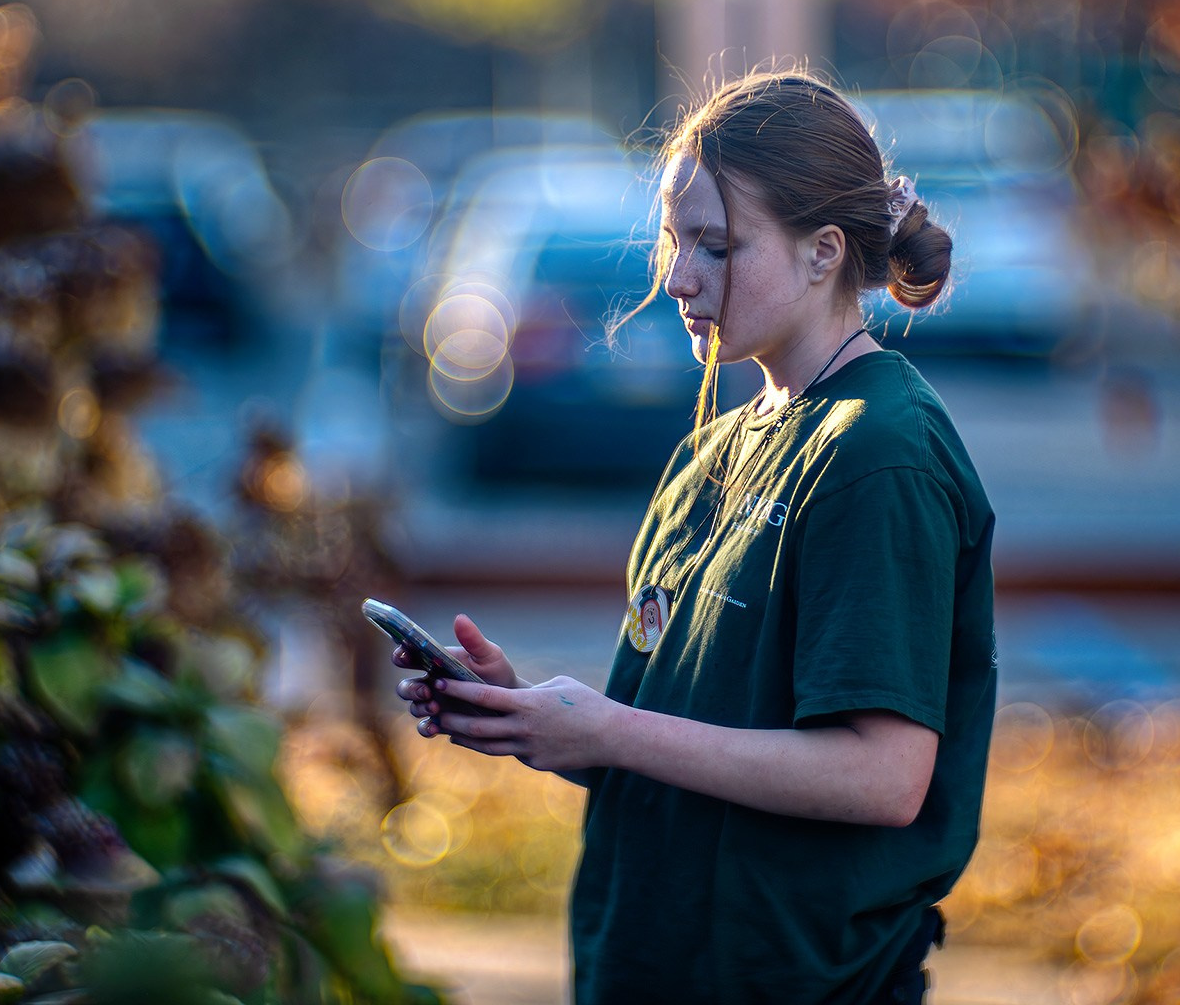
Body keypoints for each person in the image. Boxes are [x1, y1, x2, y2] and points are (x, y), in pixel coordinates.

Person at [390, 70, 998, 1004]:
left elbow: (883, 776)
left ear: (822, 252)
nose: (678, 277)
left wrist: (615, 731)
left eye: (717, 246)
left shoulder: (880, 451)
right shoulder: (711, 449)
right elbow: (684, 742)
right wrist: (536, 721)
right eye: (675, 242)